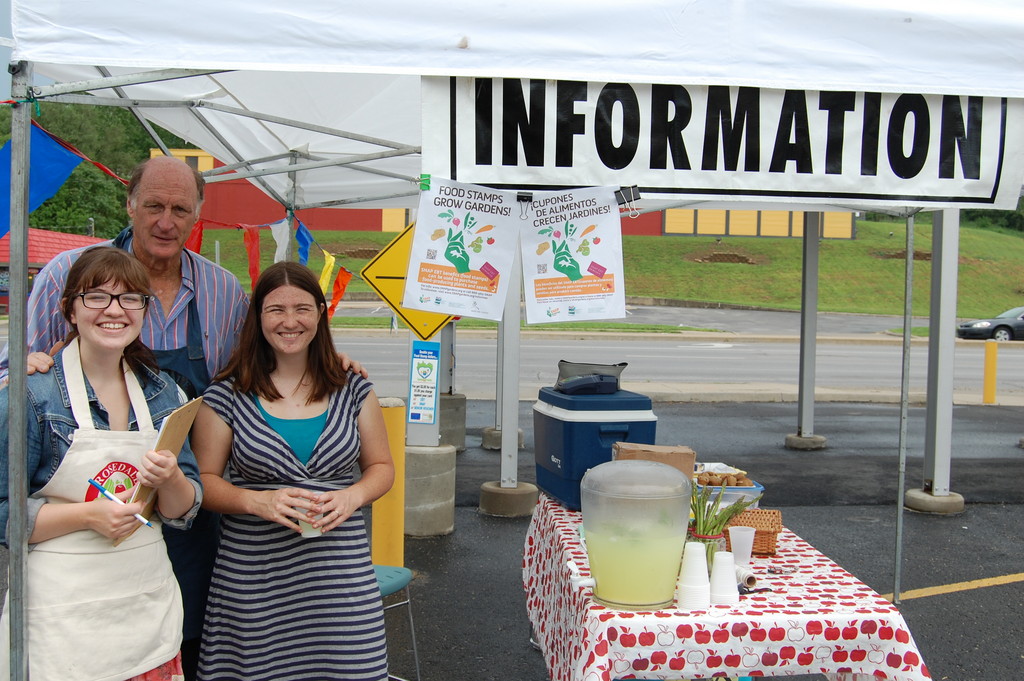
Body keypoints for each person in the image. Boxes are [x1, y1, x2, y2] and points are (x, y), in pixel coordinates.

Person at [0, 155, 248, 679]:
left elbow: (257, 375)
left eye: (180, 209)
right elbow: (14, 374)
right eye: (154, 205)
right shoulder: (65, 274)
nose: (166, 220)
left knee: (179, 638)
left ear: (197, 214)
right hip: (68, 548)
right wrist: (20, 367)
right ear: (129, 202)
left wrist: (328, 361)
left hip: (179, 524)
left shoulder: (223, 295)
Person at [0, 246, 202, 681]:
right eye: (96, 297)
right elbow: (2, 512)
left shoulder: (164, 394)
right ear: (69, 310)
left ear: (144, 310)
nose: (115, 310)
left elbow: (183, 509)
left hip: (147, 612)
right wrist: (87, 515)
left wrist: (169, 481)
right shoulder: (34, 394)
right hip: (62, 621)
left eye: (131, 298)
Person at [192, 262, 394, 681]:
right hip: (253, 584)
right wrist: (255, 500)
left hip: (340, 581)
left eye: (302, 308)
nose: (290, 321)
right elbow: (202, 484)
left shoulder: (353, 388)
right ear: (257, 317)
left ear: (320, 314)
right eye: (275, 310)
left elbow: (381, 467)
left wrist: (352, 496)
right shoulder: (226, 394)